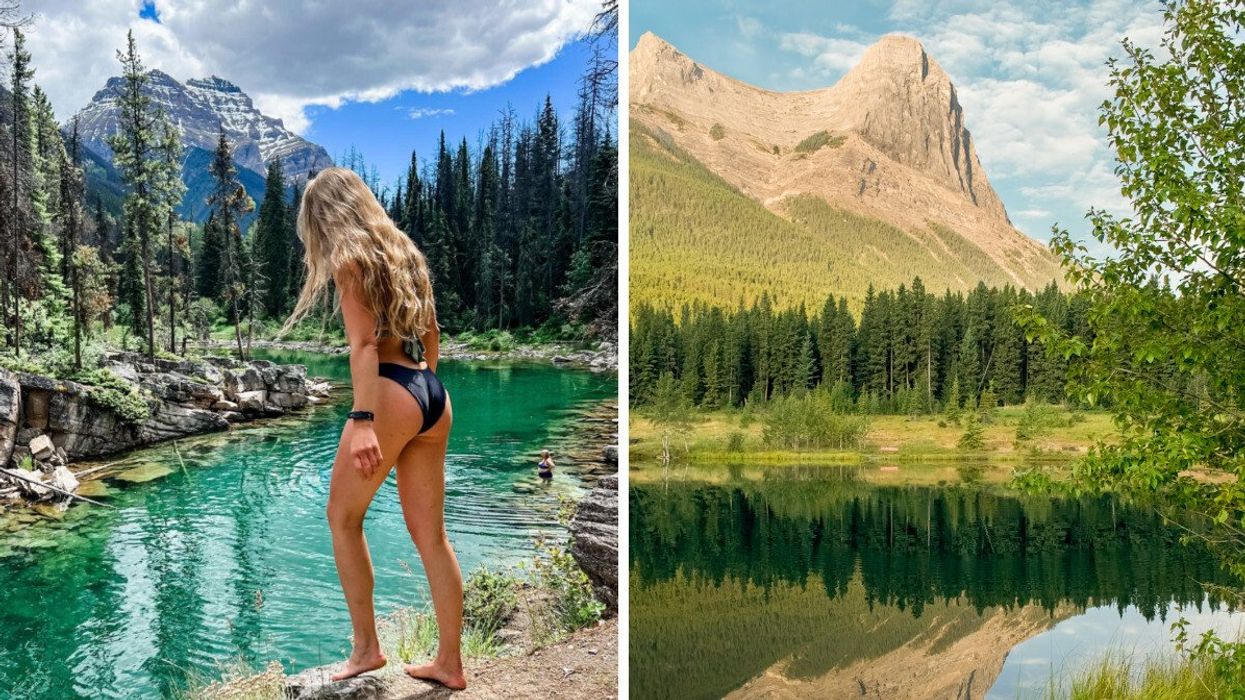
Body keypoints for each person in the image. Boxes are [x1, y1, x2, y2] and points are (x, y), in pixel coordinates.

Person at [281, 167, 465, 689]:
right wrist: (427, 385)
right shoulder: (405, 251)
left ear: (326, 218)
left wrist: (364, 420)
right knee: (432, 538)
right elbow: (432, 332)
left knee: (341, 518)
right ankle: (449, 664)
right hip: (430, 393)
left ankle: (366, 649)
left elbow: (362, 346)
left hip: (387, 392)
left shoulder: (351, 259)